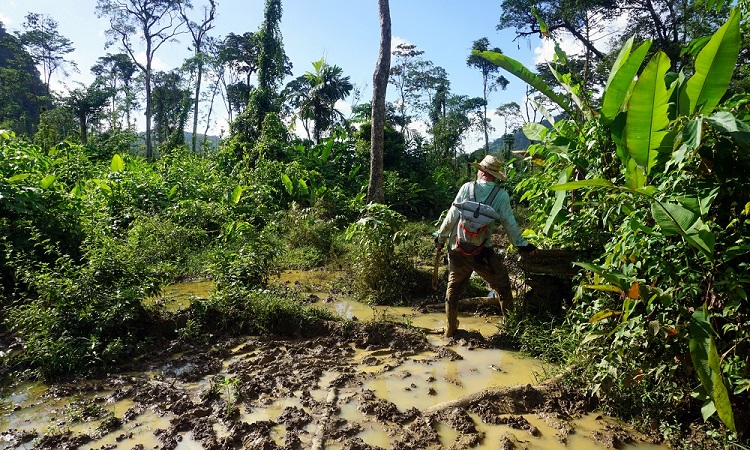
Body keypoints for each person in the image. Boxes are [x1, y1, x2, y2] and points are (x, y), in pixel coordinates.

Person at [434, 154, 537, 337]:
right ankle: (510, 328)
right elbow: (508, 222)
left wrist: (440, 238)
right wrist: (522, 245)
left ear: (481, 171)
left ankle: (450, 327)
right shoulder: (501, 195)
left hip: (457, 248)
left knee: (453, 288)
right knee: (503, 286)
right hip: (480, 252)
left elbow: (452, 216)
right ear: (495, 175)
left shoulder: (466, 188)